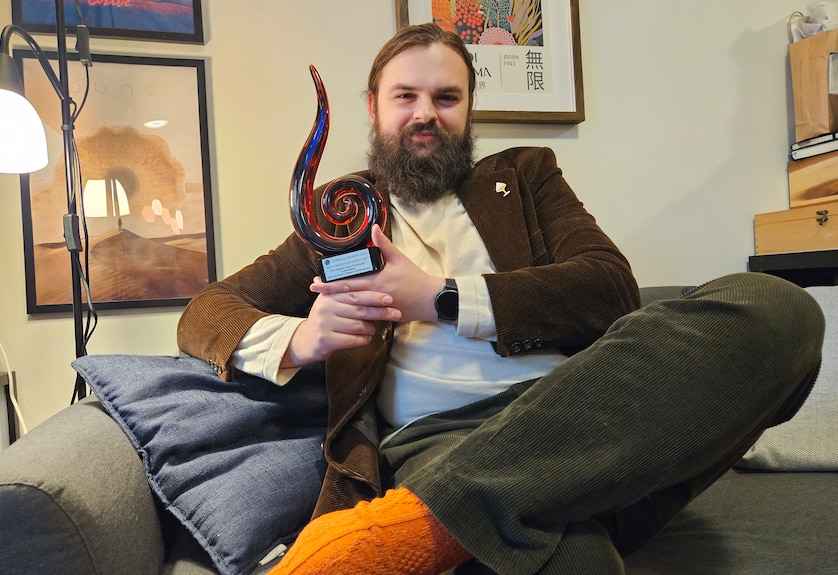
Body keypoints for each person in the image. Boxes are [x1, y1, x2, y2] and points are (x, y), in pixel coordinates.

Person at [177, 23, 824, 575]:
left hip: (583, 406)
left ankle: (400, 530)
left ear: (468, 110)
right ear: (374, 107)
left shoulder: (526, 177)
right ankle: (462, 506)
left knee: (782, 311)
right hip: (438, 440)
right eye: (406, 96)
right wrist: (304, 338)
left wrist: (438, 297)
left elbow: (610, 288)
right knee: (576, 561)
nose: (426, 112)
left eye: (446, 96)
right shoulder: (339, 214)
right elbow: (205, 311)